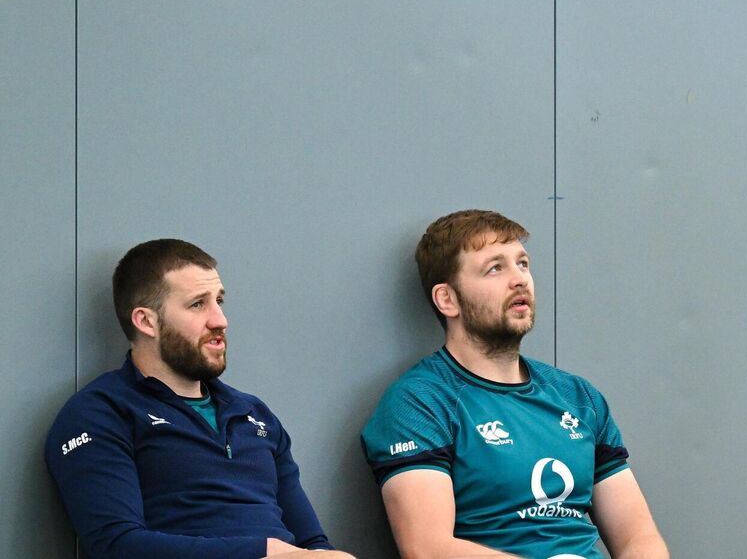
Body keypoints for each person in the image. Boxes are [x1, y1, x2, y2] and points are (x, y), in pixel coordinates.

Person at [361, 210, 668, 559]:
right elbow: (429, 550)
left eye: (522, 264)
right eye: (495, 268)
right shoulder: (419, 402)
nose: (519, 279)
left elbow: (637, 537)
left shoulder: (578, 397)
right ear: (448, 299)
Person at [44, 239, 354, 559]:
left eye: (219, 300)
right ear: (146, 321)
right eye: (197, 304)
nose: (220, 320)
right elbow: (117, 545)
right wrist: (263, 550)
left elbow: (313, 541)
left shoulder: (254, 414)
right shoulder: (99, 412)